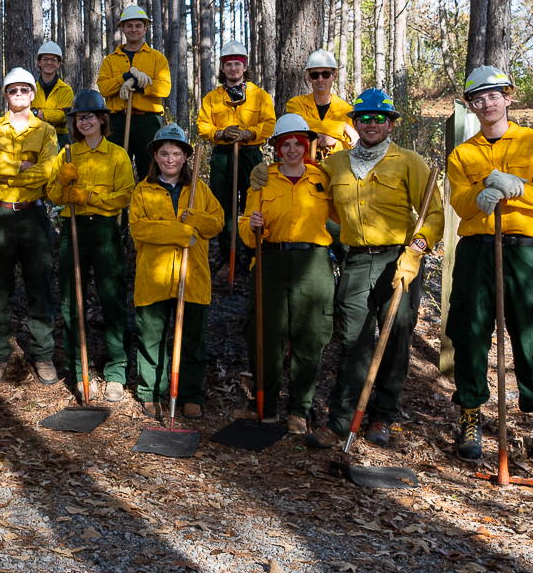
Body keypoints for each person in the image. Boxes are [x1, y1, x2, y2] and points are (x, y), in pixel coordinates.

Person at [284, 88, 443, 449]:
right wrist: (266, 173)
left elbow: (432, 213)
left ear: (389, 123)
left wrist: (417, 248)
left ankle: (382, 417)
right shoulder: (336, 165)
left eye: (379, 118)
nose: (371, 124)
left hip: (398, 260)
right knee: (354, 340)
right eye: (364, 118)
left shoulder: (409, 162)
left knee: (396, 334)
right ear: (353, 123)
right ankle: (341, 420)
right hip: (356, 259)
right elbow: (304, 185)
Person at [446, 66, 533, 473]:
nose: (487, 104)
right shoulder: (463, 153)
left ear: (509, 97)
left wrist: (518, 188)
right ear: (471, 106)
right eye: (478, 99)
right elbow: (459, 203)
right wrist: (482, 192)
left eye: (494, 95)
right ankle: (470, 417)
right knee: (469, 331)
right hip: (476, 251)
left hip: (522, 251)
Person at [236, 114, 334, 435]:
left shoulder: (323, 179)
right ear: (277, 148)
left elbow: (342, 214)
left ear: (307, 146)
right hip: (271, 260)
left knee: (309, 334)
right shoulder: (263, 179)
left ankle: (299, 410)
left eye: (298, 143)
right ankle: (264, 404)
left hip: (314, 262)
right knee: (265, 333)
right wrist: (250, 227)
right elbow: (246, 225)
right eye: (285, 144)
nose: (292, 149)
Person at [46, 89, 134, 402]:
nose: (85, 121)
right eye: (80, 117)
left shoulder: (117, 155)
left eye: (91, 116)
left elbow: (125, 195)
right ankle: (77, 368)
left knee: (112, 300)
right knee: (73, 300)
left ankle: (115, 372)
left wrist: (89, 197)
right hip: (74, 231)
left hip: (106, 231)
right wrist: (61, 183)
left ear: (102, 119)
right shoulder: (68, 153)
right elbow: (54, 196)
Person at [130, 124, 224, 418]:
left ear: (185, 157)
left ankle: (190, 393)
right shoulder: (143, 191)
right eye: (164, 154)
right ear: (155, 157)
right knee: (152, 338)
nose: (170, 159)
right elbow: (140, 230)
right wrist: (182, 231)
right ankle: (151, 392)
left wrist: (195, 217)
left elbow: (216, 223)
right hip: (154, 278)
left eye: (176, 154)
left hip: (192, 277)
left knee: (192, 340)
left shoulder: (200, 190)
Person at [0, 68, 60, 386]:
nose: (19, 95)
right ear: (5, 95)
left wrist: (6, 171)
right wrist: (20, 166)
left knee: (39, 285)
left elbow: (47, 171)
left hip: (34, 215)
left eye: (25, 90)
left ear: (33, 94)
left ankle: (42, 355)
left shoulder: (47, 132)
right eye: (13, 90)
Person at [196, 40, 275, 270]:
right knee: (223, 204)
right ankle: (227, 255)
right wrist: (220, 132)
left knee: (253, 202)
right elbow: (203, 126)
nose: (233, 68)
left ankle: (251, 254)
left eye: (237, 64)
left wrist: (249, 133)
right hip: (223, 156)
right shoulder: (212, 98)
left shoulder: (259, 96)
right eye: (228, 64)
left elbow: (269, 124)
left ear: (245, 66)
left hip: (250, 155)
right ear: (222, 68)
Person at [95, 5, 172, 177]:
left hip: (148, 122)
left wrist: (139, 84)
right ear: (122, 28)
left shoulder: (156, 58)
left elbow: (165, 88)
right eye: (129, 26)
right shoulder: (110, 60)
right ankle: (118, 205)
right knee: (115, 171)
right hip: (117, 122)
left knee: (150, 170)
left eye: (138, 25)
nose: (133, 29)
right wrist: (124, 77)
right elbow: (104, 88)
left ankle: (147, 203)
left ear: (145, 28)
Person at [284, 49, 359, 159]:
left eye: (326, 74)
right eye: (315, 75)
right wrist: (342, 127)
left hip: (336, 172)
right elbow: (299, 125)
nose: (320, 79)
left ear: (334, 76)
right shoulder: (295, 104)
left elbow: (354, 148)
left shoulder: (347, 111)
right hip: (303, 170)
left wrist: (333, 143)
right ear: (309, 78)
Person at [32, 42, 74, 147]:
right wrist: (52, 114)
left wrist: (39, 113)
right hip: (35, 136)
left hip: (59, 137)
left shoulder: (66, 90)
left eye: (54, 60)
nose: (49, 63)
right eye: (45, 59)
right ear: (38, 62)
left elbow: (62, 117)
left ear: (59, 64)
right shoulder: (31, 89)